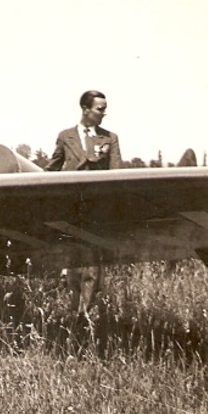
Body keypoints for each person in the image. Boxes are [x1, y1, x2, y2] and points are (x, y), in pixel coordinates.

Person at [46, 90, 122, 319]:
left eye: (104, 109)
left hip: (96, 210)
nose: (104, 114)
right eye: (100, 109)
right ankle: (73, 312)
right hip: (69, 208)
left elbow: (116, 173)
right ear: (85, 110)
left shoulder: (110, 138)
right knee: (73, 260)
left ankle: (85, 314)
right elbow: (52, 168)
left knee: (91, 264)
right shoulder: (65, 136)